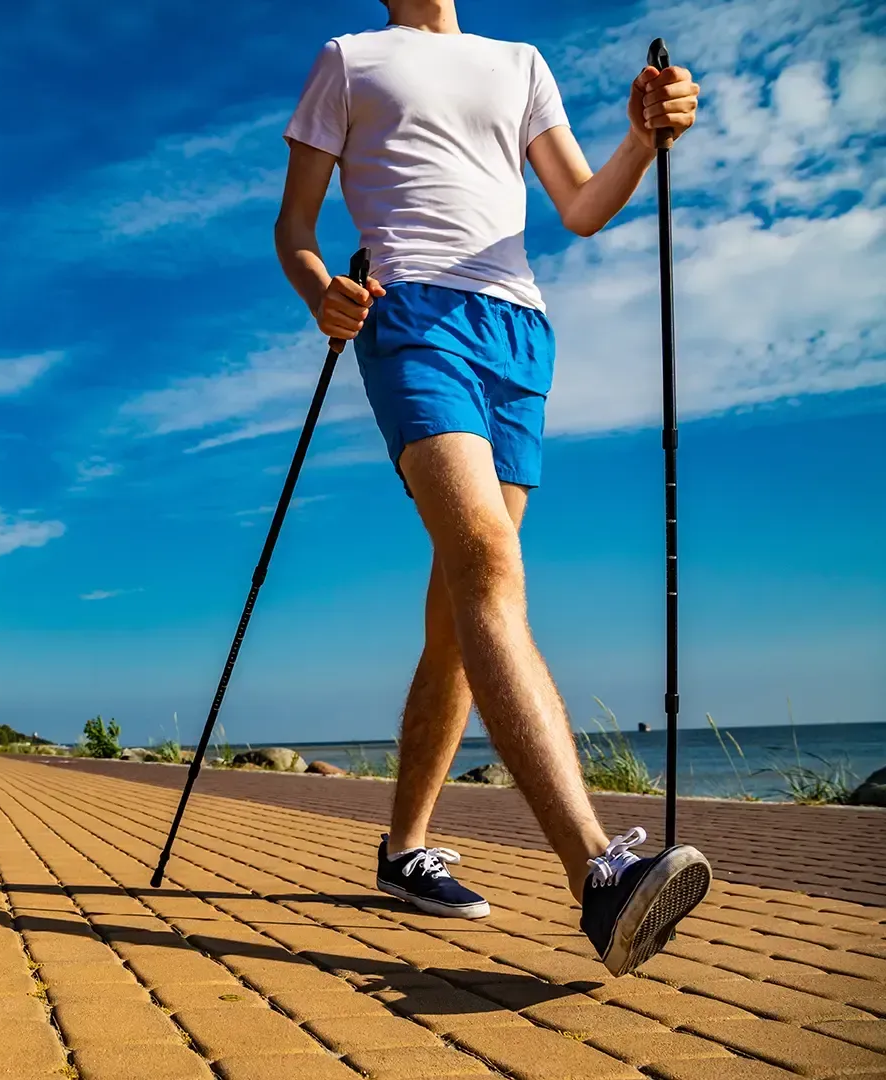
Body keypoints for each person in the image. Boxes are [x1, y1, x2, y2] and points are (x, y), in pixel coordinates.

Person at [275, 0, 708, 976]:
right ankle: (598, 876)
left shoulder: (520, 62)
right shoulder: (349, 59)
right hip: (411, 313)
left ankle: (401, 849)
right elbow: (294, 224)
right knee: (486, 559)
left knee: (460, 615)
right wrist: (320, 291)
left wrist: (642, 138)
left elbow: (583, 207)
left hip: (519, 332)